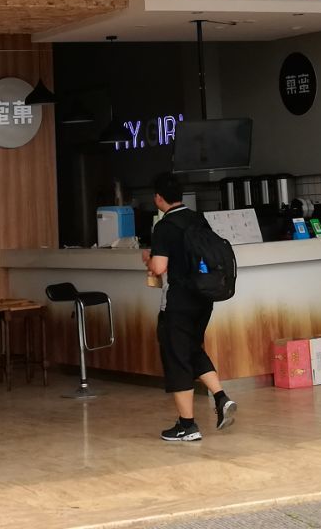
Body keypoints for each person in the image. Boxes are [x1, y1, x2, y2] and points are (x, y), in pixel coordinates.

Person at [145, 171, 236, 443]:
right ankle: (221, 397)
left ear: (158, 198)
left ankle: (187, 425)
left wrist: (148, 259)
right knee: (192, 348)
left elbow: (159, 267)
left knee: (177, 357)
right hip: (204, 298)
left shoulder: (164, 226)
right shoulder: (198, 218)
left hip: (179, 301)